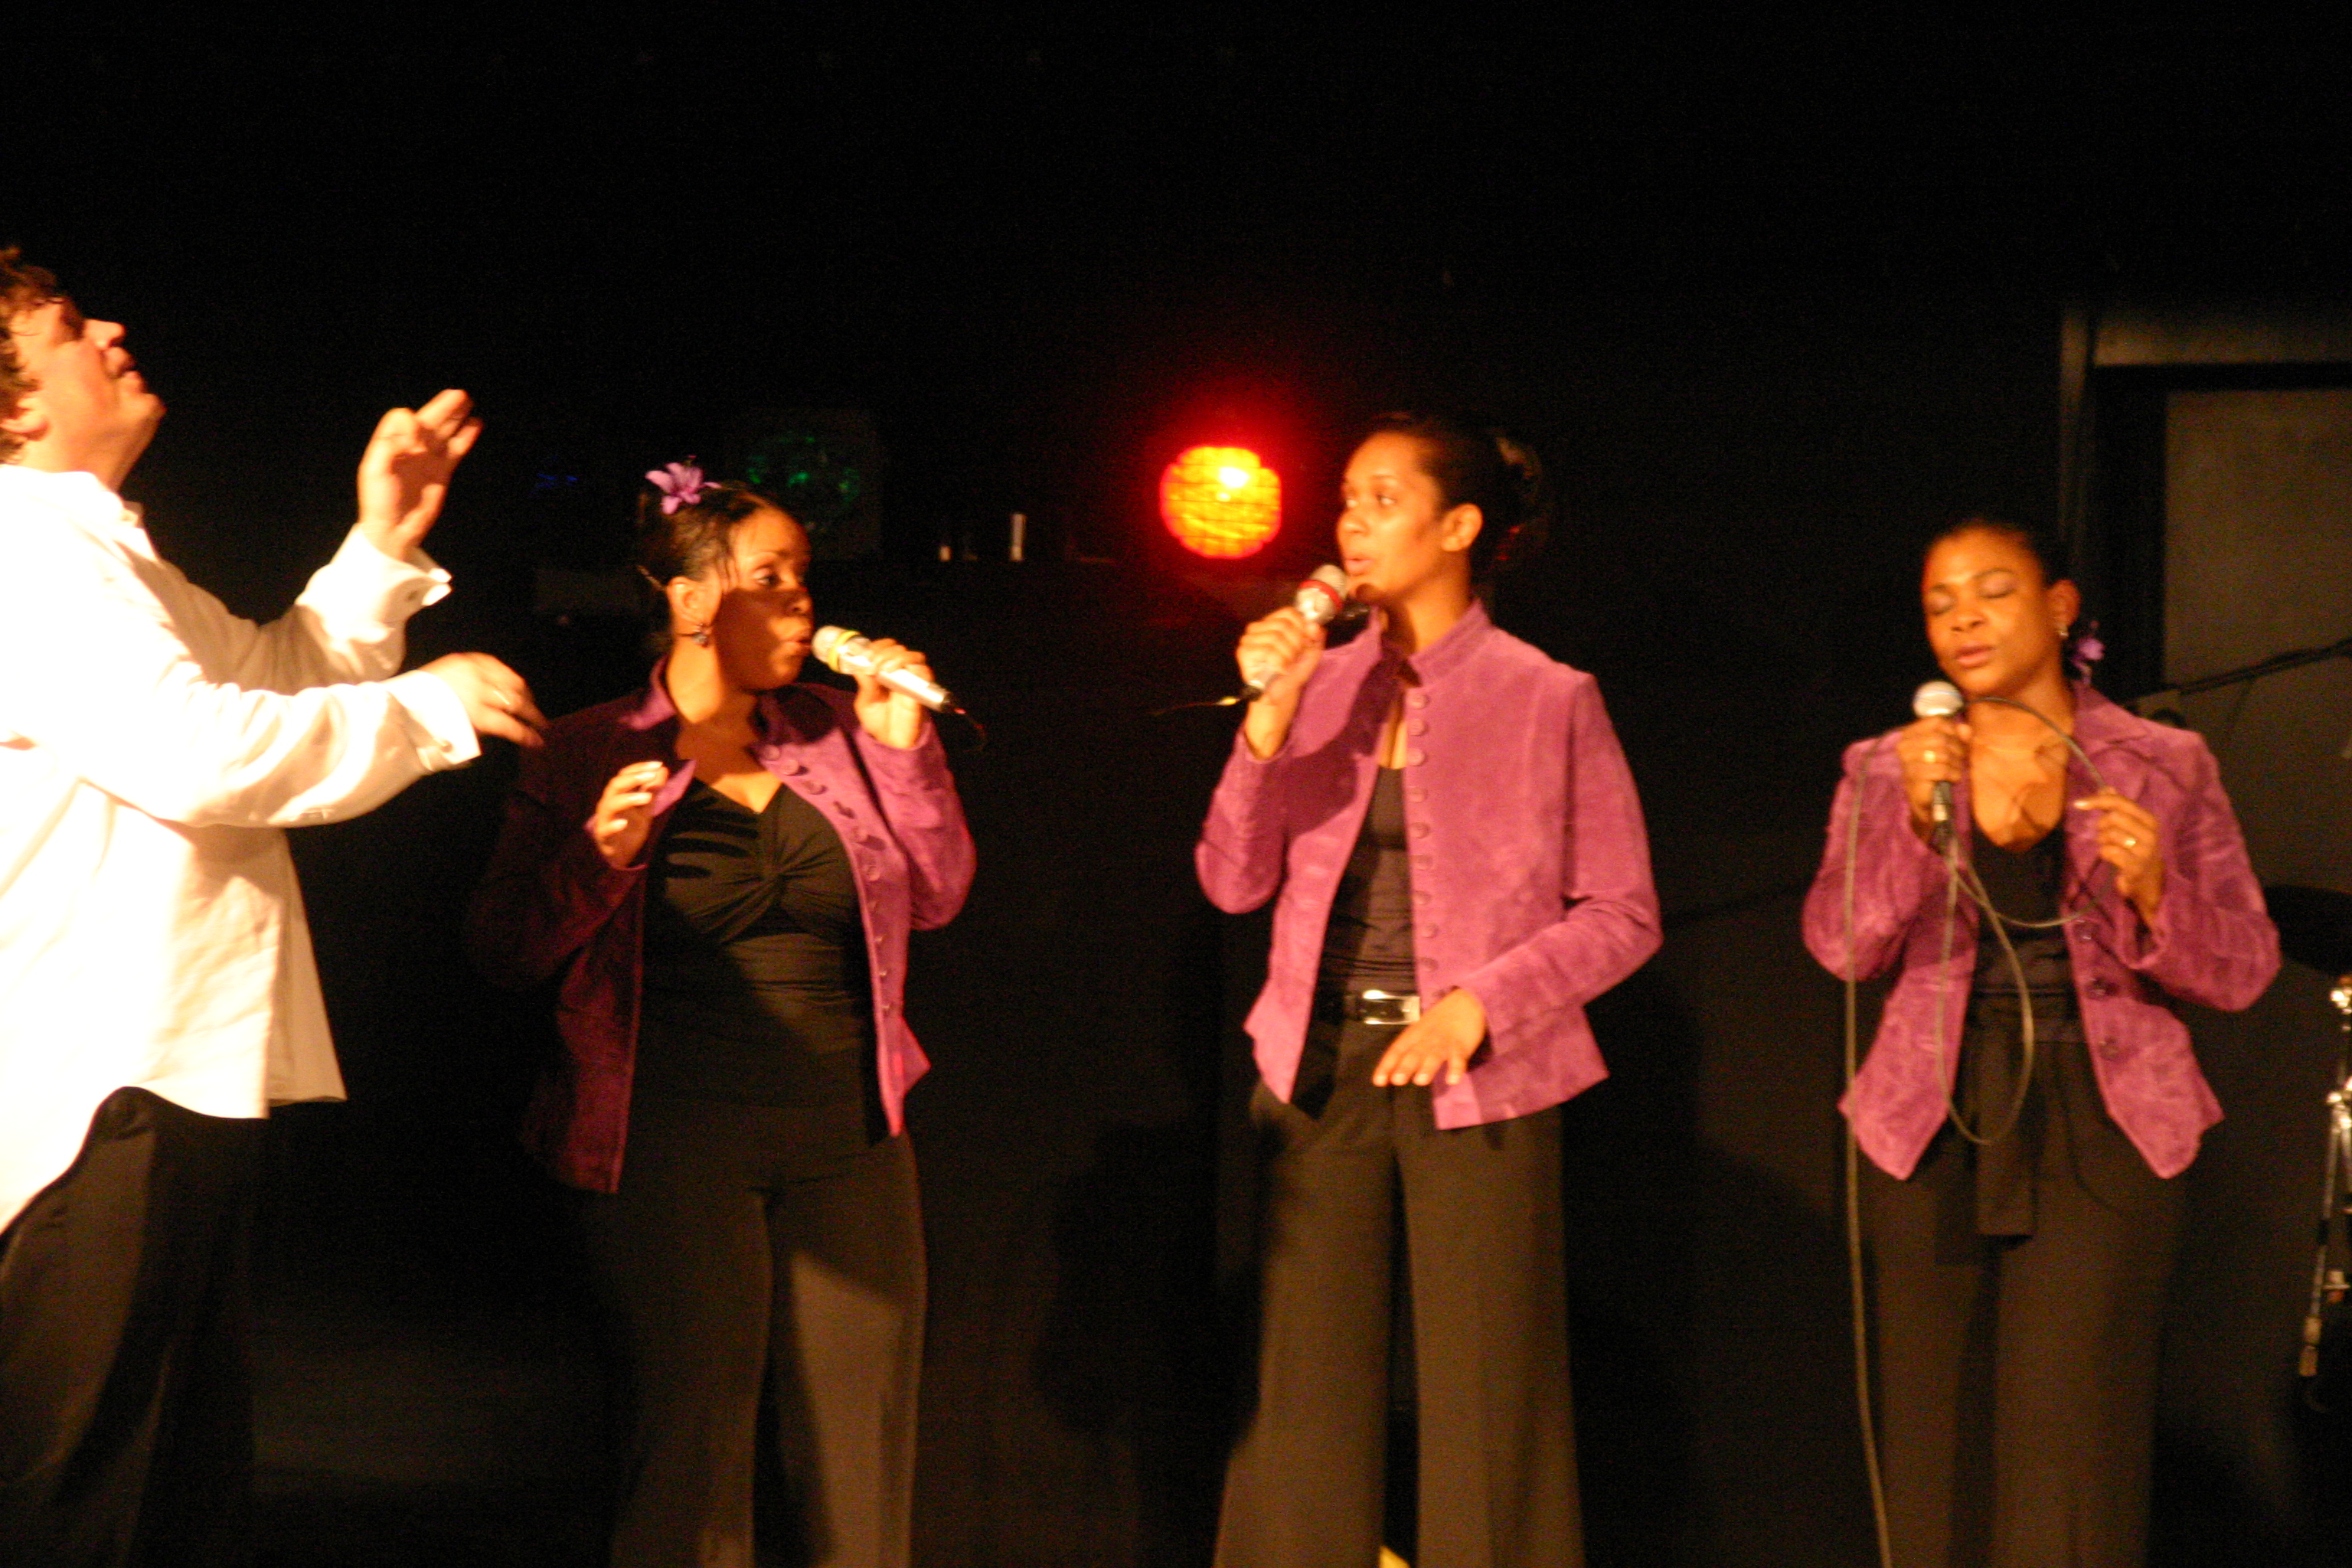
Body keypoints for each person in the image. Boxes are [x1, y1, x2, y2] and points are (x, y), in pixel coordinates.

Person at [0, 249, 544, 1566]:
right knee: (88, 1503)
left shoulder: (98, 553)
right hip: (101, 1079)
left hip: (162, 1070)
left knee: (171, 1493)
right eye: (71, 326)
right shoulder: (23, 551)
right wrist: (428, 707)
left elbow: (273, 678)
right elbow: (203, 749)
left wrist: (381, 544)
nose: (112, 328)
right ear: (12, 400)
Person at [468, 468, 974, 1568]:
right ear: (693, 600)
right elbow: (504, 952)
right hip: (669, 1140)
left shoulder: (843, 732)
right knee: (692, 1459)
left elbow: (939, 896)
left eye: (806, 576)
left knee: (861, 1458)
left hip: (849, 1136)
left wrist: (905, 753)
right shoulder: (589, 747)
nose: (803, 600)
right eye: (771, 577)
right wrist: (599, 862)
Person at [1197, 413, 1659, 1568]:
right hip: (1319, 1066)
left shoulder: (1549, 695)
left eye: (1383, 499)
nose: (1352, 523)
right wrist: (1266, 723)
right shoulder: (1320, 681)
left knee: (1489, 1399)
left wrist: (1480, 1006)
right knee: (1303, 1399)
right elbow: (1230, 881)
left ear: (1458, 527)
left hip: (1479, 1074)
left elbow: (1624, 912)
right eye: (1346, 499)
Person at [1802, 517, 2280, 1567]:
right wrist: (1913, 830)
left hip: (2105, 1116)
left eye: (1992, 592)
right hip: (1932, 1114)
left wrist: (2156, 894)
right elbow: (1841, 947)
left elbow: (2246, 965)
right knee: (1934, 1435)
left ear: (2060, 608)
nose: (1963, 620)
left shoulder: (2164, 762)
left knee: (2069, 1437)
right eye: (1940, 603)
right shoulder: (1885, 768)